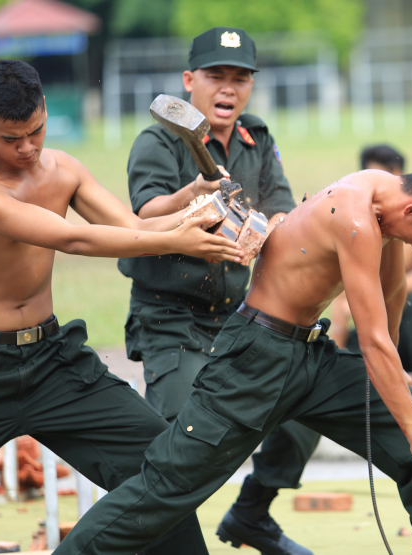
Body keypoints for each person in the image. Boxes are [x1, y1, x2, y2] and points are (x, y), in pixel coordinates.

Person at [0, 60, 244, 555]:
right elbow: (74, 238)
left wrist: (190, 201)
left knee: (160, 465)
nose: (27, 148)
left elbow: (126, 225)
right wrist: (178, 239)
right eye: (11, 138)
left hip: (52, 363)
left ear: (46, 111)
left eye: (36, 131)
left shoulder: (64, 168)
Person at [55, 163, 412, 555]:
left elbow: (393, 294)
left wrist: (399, 395)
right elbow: (373, 340)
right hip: (254, 360)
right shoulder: (356, 216)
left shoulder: (385, 197)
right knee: (166, 487)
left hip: (309, 357)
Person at [118, 27, 319, 555]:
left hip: (239, 316)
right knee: (182, 443)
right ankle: (150, 539)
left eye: (239, 78)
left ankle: (251, 515)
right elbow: (144, 213)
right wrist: (194, 196)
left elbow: (280, 208)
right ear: (190, 81)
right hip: (170, 319)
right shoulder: (161, 139)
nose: (228, 88)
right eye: (215, 76)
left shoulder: (257, 138)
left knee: (302, 413)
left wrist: (266, 224)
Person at [332, 145, 412, 397]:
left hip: (402, 325)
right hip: (361, 331)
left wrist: (386, 294)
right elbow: (340, 301)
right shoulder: (350, 219)